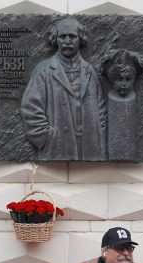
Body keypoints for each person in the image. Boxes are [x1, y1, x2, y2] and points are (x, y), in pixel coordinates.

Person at [20, 16, 106, 161]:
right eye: (62, 37)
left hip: (90, 146)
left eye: (72, 36)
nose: (67, 41)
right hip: (57, 147)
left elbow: (101, 110)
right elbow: (30, 109)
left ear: (80, 39)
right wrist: (49, 138)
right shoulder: (43, 71)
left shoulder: (90, 71)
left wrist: (100, 139)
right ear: (56, 40)